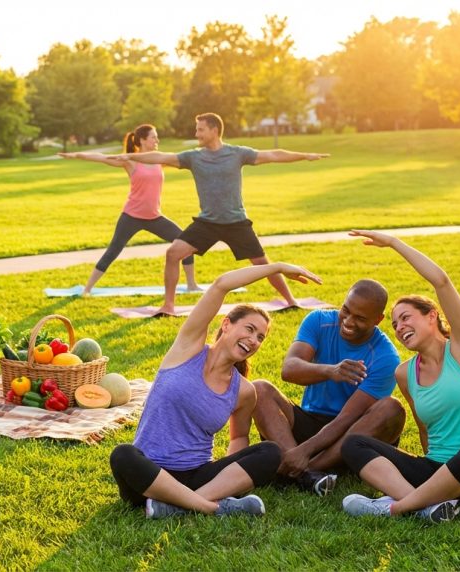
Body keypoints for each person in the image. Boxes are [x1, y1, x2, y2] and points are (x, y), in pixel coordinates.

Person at [110, 262, 322, 518]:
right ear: (226, 324)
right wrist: (276, 267)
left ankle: (178, 505)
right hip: (149, 475)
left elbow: (238, 440)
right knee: (123, 455)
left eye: (260, 338)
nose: (254, 340)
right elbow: (221, 284)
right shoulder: (187, 350)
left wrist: (228, 477)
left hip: (198, 476)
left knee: (270, 452)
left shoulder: (243, 390)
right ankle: (208, 507)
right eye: (250, 329)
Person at [339, 230, 460, 523]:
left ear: (431, 315)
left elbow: (441, 281)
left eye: (406, 317)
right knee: (354, 444)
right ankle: (427, 505)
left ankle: (398, 507)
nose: (399, 327)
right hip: (434, 470)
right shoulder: (405, 372)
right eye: (394, 323)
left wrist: (393, 243)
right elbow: (425, 429)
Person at [113, 112, 329, 315]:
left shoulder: (237, 153)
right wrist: (130, 156)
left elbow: (273, 154)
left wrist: (305, 155)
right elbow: (161, 157)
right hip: (207, 223)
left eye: (200, 130)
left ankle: (291, 301)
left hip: (236, 222)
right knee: (173, 254)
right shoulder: (193, 157)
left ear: (214, 130)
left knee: (263, 264)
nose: (196, 134)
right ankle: (168, 306)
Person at [251, 280, 405, 496]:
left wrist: (304, 451)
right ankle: (304, 472)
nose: (349, 321)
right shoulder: (319, 320)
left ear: (378, 320)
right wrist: (330, 371)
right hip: (311, 419)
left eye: (360, 318)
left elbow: (347, 419)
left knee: (392, 408)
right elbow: (289, 369)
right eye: (346, 310)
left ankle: (303, 467)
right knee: (259, 388)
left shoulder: (385, 356)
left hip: (352, 435)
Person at [58, 124, 199, 296]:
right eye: (153, 137)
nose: (157, 140)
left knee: (184, 243)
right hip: (131, 216)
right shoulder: (130, 161)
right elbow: (102, 157)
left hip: (154, 216)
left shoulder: (158, 159)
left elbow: (183, 158)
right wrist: (77, 155)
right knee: (113, 251)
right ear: (142, 140)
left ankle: (191, 285)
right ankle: (87, 289)